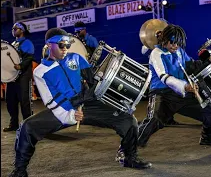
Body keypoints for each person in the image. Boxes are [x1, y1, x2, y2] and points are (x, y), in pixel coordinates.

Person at [8, 28, 151, 177]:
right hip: (63, 108)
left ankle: (129, 157)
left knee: (128, 121)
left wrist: (100, 80)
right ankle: (19, 170)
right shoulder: (40, 71)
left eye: (68, 45)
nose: (65, 49)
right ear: (49, 45)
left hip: (87, 104)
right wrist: (71, 114)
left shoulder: (76, 58)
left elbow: (92, 80)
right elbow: (51, 100)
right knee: (27, 127)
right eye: (61, 45)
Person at [137, 24, 211, 148]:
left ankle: (207, 137)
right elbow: (163, 77)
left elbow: (192, 66)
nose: (175, 46)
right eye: (172, 42)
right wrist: (185, 86)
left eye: (177, 43)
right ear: (164, 40)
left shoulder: (179, 51)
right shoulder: (157, 53)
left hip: (182, 93)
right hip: (162, 93)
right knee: (154, 121)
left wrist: (210, 60)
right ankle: (128, 148)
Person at [3, 22, 35, 132]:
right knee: (10, 101)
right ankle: (14, 124)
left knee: (24, 102)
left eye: (15, 28)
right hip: (12, 77)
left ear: (22, 30)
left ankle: (28, 125)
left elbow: (29, 58)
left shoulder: (27, 43)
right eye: (12, 28)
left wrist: (20, 66)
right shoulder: (12, 44)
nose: (13, 30)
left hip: (23, 76)